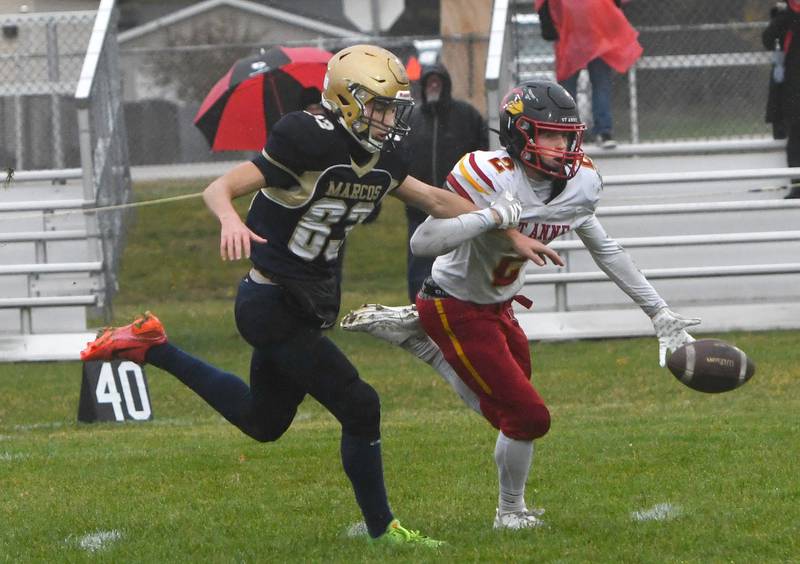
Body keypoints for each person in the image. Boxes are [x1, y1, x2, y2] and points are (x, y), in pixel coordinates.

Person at [80, 45, 560, 547]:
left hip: (307, 303)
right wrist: (229, 220)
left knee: (261, 422)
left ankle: (152, 345)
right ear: (347, 101)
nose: (389, 117)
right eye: (379, 105)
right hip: (268, 302)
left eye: (394, 106)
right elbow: (219, 188)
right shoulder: (305, 136)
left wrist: (509, 232)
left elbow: (436, 199)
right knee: (360, 405)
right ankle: (384, 531)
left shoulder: (382, 154)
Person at [341, 81, 701, 530]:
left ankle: (425, 345)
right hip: (454, 303)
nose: (561, 146)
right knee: (526, 416)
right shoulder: (487, 173)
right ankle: (508, 513)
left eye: (566, 136)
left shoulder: (581, 185)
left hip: (500, 306)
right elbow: (422, 241)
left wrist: (658, 311)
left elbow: (605, 249)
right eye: (548, 135)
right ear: (518, 133)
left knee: (514, 410)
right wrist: (492, 216)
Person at [404, 64, 489, 301]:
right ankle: (418, 310)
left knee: (458, 264)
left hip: (457, 207)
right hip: (418, 208)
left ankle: (460, 310)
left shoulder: (466, 115)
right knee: (419, 265)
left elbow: (482, 152)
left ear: (446, 85)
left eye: (437, 82)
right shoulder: (412, 118)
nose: (433, 86)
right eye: (429, 82)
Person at [536, 0, 642, 149]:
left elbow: (543, 5)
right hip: (597, 33)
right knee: (601, 85)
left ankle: (569, 131)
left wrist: (548, 27)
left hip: (571, 34)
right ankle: (604, 132)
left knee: (568, 89)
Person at [763, 0, 800, 199]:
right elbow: (768, 41)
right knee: (795, 141)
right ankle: (798, 185)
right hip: (793, 91)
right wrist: (780, 17)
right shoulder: (786, 17)